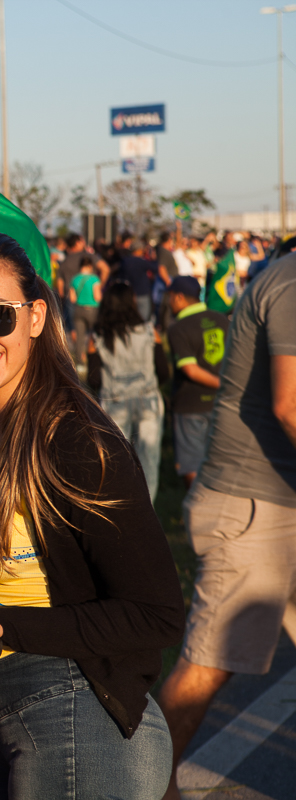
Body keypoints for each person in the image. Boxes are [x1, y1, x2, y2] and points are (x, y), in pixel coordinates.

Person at [0, 228, 183, 800]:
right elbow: (12, 578)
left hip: (81, 717)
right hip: (20, 716)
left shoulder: (73, 438)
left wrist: (3, 626)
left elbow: (156, 613)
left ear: (35, 317)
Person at [155, 255, 296, 800]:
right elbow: (288, 406)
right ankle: (144, 784)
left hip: (280, 500)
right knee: (210, 664)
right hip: (254, 506)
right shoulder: (289, 282)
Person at [89, 282, 165, 502]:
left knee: (114, 462)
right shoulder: (150, 332)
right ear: (132, 302)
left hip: (114, 402)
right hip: (148, 399)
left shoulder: (98, 338)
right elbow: (163, 370)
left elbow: (93, 380)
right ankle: (147, 511)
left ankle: (121, 507)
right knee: (149, 460)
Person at [163, 276, 229, 489]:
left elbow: (190, 370)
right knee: (221, 461)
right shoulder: (222, 320)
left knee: (191, 463)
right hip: (223, 402)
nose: (168, 303)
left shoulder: (177, 328)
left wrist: (220, 384)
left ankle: (197, 504)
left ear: (179, 297)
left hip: (190, 404)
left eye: (170, 298)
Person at [112, 238, 159, 323]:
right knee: (143, 319)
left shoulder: (124, 261)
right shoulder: (142, 261)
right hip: (142, 293)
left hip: (128, 294)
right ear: (139, 250)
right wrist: (153, 259)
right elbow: (155, 268)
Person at [68, 256, 101, 365]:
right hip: (92, 310)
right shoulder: (94, 279)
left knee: (80, 338)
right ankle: (93, 360)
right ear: (90, 266)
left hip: (78, 309)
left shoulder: (75, 279)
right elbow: (97, 297)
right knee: (94, 336)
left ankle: (79, 363)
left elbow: (72, 298)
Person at [205, 232, 239, 316]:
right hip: (216, 276)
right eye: (229, 237)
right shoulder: (221, 246)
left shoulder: (233, 250)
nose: (231, 239)